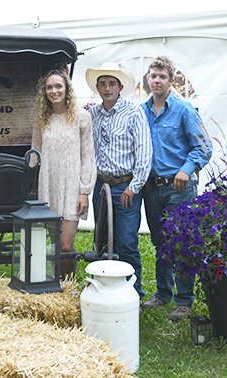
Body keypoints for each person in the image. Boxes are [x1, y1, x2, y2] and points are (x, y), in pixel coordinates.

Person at [141, 56, 212, 321]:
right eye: (153, 76)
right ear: (148, 79)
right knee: (160, 242)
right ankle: (162, 294)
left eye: (162, 76)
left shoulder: (183, 109)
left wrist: (187, 168)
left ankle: (184, 300)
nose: (156, 80)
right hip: (152, 188)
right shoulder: (142, 110)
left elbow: (203, 147)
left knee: (181, 242)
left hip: (178, 187)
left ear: (171, 81)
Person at [85, 62, 152, 298]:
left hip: (125, 186)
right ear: (97, 88)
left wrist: (134, 187)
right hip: (101, 185)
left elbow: (144, 152)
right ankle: (103, 286)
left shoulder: (134, 113)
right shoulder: (92, 113)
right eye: (102, 84)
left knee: (126, 241)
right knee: (101, 237)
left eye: (111, 83)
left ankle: (134, 292)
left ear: (120, 87)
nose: (107, 88)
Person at [32, 69, 95, 277]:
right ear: (44, 92)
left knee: (66, 245)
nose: (54, 91)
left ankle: (68, 281)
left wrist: (84, 191)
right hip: (48, 184)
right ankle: (56, 283)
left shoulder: (82, 117)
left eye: (58, 86)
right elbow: (35, 154)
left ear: (67, 89)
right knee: (54, 244)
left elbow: (88, 156)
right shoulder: (42, 119)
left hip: (72, 187)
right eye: (49, 87)